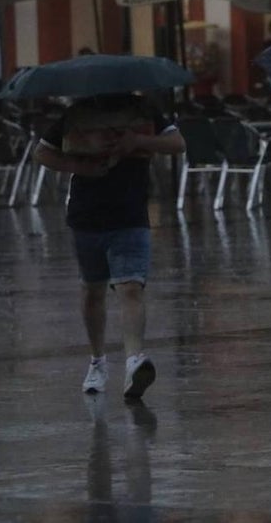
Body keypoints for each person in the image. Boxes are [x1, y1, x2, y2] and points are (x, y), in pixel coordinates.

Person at [32, 92, 186, 400]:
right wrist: (80, 165)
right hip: (87, 216)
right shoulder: (79, 113)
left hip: (131, 214)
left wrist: (138, 142)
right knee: (93, 291)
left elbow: (177, 143)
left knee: (131, 287)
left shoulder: (142, 111)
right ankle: (97, 360)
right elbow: (42, 152)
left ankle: (134, 361)